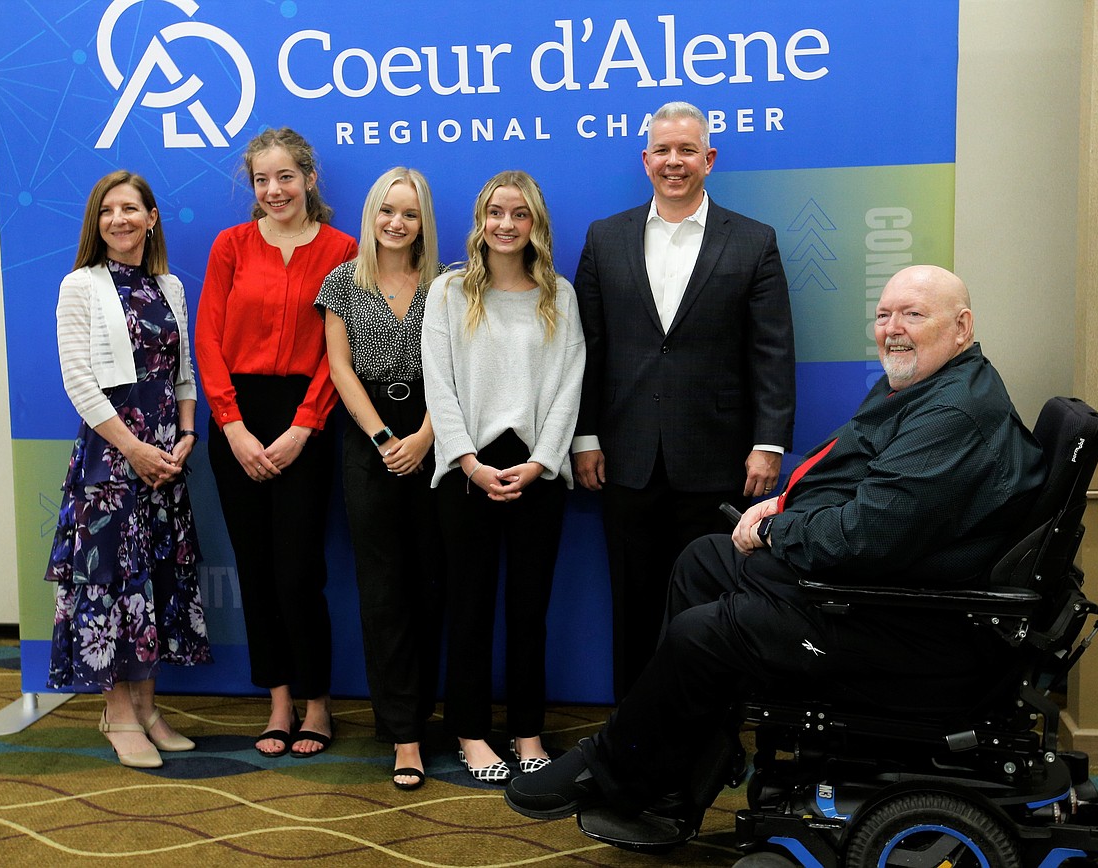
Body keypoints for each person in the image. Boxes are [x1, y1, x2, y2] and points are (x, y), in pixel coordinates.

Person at [505, 265, 1047, 822]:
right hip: (886, 583)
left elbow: (864, 536)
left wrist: (773, 530)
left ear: (962, 327)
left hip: (910, 622)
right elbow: (849, 478)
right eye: (883, 314)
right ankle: (683, 768)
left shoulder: (952, 414)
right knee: (704, 560)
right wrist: (783, 505)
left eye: (913, 314)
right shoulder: (927, 386)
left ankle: (617, 768)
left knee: (704, 632)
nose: (892, 328)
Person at [572, 101, 796, 701]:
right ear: (646, 160)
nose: (675, 162)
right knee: (634, 602)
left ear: (709, 159)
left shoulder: (753, 242)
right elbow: (587, 348)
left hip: (717, 458)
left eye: (687, 151)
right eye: (663, 151)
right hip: (625, 456)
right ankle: (632, 735)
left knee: (711, 609)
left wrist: (768, 443)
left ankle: (703, 739)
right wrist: (585, 435)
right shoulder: (604, 238)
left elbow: (771, 353)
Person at [196, 128, 357, 759]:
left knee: (299, 572)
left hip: (307, 420)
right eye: (261, 180)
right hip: (236, 418)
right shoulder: (231, 245)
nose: (273, 191)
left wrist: (303, 426)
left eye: (285, 177)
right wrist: (232, 426)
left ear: (310, 179)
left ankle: (318, 704)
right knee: (257, 572)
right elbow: (208, 340)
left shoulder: (343, 249)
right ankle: (280, 702)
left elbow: (337, 353)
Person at [422, 170, 585, 784]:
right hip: (467, 471)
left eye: (519, 214)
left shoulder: (560, 297)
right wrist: (467, 460)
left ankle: (526, 729)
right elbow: (438, 384)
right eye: (496, 212)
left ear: (535, 224)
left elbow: (570, 385)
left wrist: (542, 462)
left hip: (537, 471)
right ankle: (469, 732)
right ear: (479, 221)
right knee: (468, 607)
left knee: (528, 609)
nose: (506, 225)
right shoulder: (449, 293)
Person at [45, 170, 211, 769]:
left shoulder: (168, 287)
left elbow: (183, 373)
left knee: (155, 578)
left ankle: (147, 707)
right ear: (97, 222)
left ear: (151, 217)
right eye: (107, 210)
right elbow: (79, 381)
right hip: (112, 460)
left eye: (130, 208)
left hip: (167, 456)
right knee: (114, 583)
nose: (119, 219)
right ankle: (116, 711)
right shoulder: (79, 286)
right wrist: (133, 448)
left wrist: (187, 435)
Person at [316, 167, 445, 790]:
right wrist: (385, 439)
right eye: (386, 211)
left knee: (429, 585)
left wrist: (424, 436)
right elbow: (340, 369)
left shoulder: (448, 285)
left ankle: (425, 711)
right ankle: (403, 735)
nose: (397, 223)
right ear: (371, 216)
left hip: (436, 437)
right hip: (370, 442)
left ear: (424, 223)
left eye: (410, 214)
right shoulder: (343, 282)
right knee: (383, 591)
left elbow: (456, 370)